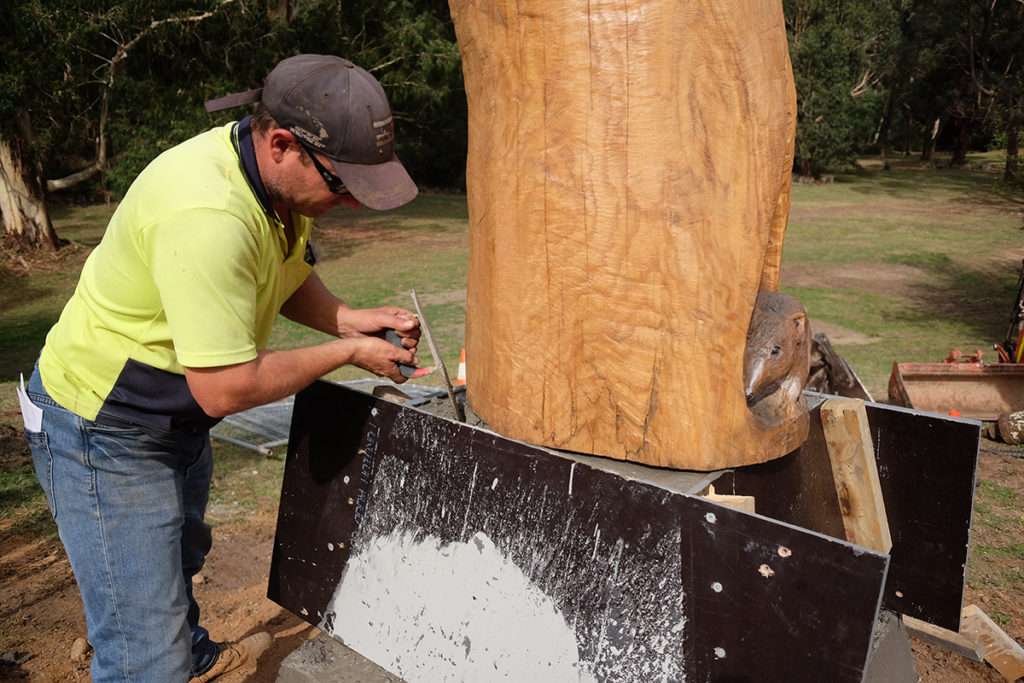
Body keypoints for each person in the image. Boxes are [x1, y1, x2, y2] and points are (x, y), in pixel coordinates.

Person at [22, 54, 426, 682]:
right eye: (341, 184)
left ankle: (192, 654)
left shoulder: (267, 183)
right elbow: (228, 388)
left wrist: (349, 319)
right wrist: (348, 352)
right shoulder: (208, 214)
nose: (349, 205)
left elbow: (284, 273)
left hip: (167, 415)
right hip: (104, 427)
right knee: (143, 651)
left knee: (176, 554)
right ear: (283, 143)